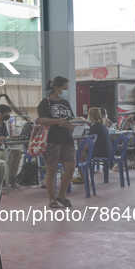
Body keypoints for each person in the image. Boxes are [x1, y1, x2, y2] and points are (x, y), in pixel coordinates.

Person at [37, 76, 76, 208]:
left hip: (67, 139)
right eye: (65, 88)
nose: (66, 91)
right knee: (51, 170)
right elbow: (42, 120)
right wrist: (59, 121)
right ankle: (51, 198)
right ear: (56, 88)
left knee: (70, 168)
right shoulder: (45, 103)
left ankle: (61, 194)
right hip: (52, 140)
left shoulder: (65, 103)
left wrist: (75, 123)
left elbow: (70, 118)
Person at [0, 104, 23, 186]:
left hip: (0, 149)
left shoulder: (3, 125)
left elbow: (5, 137)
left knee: (18, 153)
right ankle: (4, 179)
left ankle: (12, 178)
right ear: (1, 113)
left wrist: (14, 137)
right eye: (7, 113)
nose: (8, 115)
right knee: (9, 155)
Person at [73, 107, 110, 184]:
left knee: (78, 155)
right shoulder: (102, 126)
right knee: (82, 153)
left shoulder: (94, 127)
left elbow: (90, 142)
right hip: (107, 151)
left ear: (91, 117)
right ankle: (84, 175)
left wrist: (82, 149)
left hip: (100, 152)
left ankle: (83, 177)